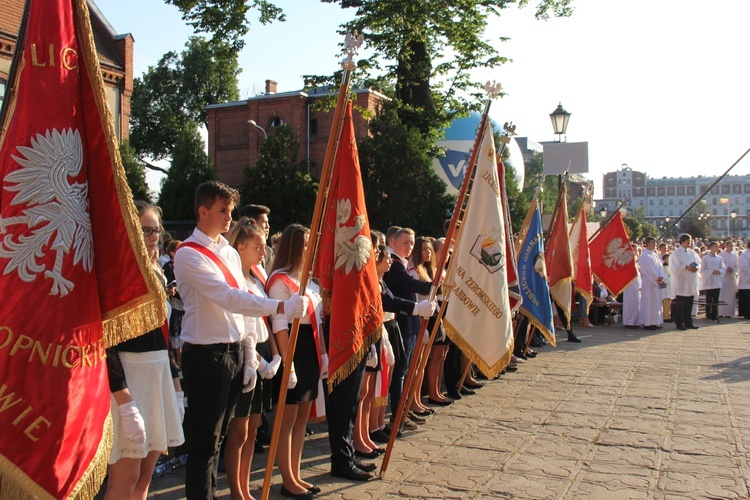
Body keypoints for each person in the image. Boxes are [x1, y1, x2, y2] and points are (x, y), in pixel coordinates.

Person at [173, 181, 307, 500]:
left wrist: (248, 354)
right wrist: (281, 306)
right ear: (203, 211)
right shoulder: (189, 254)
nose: (229, 218)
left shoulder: (229, 253)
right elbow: (230, 298)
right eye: (223, 210)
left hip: (232, 352)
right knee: (206, 444)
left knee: (219, 441)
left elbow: (242, 313)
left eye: (231, 211)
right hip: (206, 355)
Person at [104, 201, 185, 500]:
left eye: (157, 230)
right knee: (125, 479)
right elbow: (106, 340)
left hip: (158, 376)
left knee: (145, 477)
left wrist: (175, 385)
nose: (154, 236)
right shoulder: (117, 273)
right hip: (129, 378)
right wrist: (123, 401)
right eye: (146, 230)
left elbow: (163, 337)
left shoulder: (158, 272)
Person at [224, 218, 283, 500]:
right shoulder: (232, 279)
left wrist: (276, 355)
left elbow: (265, 319)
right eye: (257, 246)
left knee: (253, 426)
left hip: (262, 349)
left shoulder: (257, 277)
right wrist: (255, 358)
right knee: (239, 429)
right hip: (245, 354)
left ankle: (245, 488)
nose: (263, 251)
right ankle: (236, 491)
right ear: (240, 246)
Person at [267, 224, 326, 498]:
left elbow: (317, 322)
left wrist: (323, 354)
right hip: (290, 345)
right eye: (306, 245)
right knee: (287, 418)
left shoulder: (309, 281)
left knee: (303, 415)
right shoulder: (280, 280)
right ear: (294, 247)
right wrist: (286, 361)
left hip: (309, 347)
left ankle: (296, 473)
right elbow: (279, 322)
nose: (310, 250)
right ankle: (287, 480)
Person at [383, 228, 436, 425]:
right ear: (393, 242)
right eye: (406, 243)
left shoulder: (400, 263)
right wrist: (433, 285)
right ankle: (398, 413)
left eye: (411, 243)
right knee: (400, 371)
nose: (410, 247)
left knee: (405, 370)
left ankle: (403, 409)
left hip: (409, 322)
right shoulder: (395, 265)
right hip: (402, 322)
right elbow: (410, 284)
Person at [670, 233, 701, 330]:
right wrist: (685, 267)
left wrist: (696, 268)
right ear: (682, 241)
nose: (690, 242)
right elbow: (675, 267)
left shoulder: (692, 252)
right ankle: (679, 323)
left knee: (689, 304)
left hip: (690, 281)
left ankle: (688, 322)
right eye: (688, 241)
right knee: (680, 305)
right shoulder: (676, 253)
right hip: (682, 282)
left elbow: (699, 263)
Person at [638, 238, 667, 330]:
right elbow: (648, 270)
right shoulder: (645, 255)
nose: (655, 245)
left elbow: (660, 267)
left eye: (655, 243)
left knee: (655, 303)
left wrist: (661, 276)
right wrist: (657, 279)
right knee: (648, 303)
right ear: (647, 244)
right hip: (649, 282)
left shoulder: (654, 255)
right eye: (653, 243)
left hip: (655, 282)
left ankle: (654, 322)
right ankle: (647, 323)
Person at [239, 204, 274, 273]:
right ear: (252, 224)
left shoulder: (269, 252)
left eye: (268, 222)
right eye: (264, 222)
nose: (268, 226)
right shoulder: (234, 253)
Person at [700, 241, 725, 321]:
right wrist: (711, 271)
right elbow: (702, 270)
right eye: (715, 246)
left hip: (717, 280)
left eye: (718, 247)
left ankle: (715, 313)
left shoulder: (719, 258)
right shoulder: (705, 258)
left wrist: (719, 271)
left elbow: (723, 269)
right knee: (709, 298)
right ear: (711, 247)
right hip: (709, 280)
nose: (717, 248)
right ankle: (708, 313)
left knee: (716, 298)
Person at [719, 240, 738, 317]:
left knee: (730, 295)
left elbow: (737, 266)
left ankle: (729, 313)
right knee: (722, 294)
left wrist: (733, 269)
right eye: (730, 246)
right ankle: (721, 312)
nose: (731, 247)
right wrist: (725, 269)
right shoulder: (721, 255)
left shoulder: (735, 255)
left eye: (732, 246)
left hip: (731, 277)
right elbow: (720, 266)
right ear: (726, 246)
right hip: (723, 278)